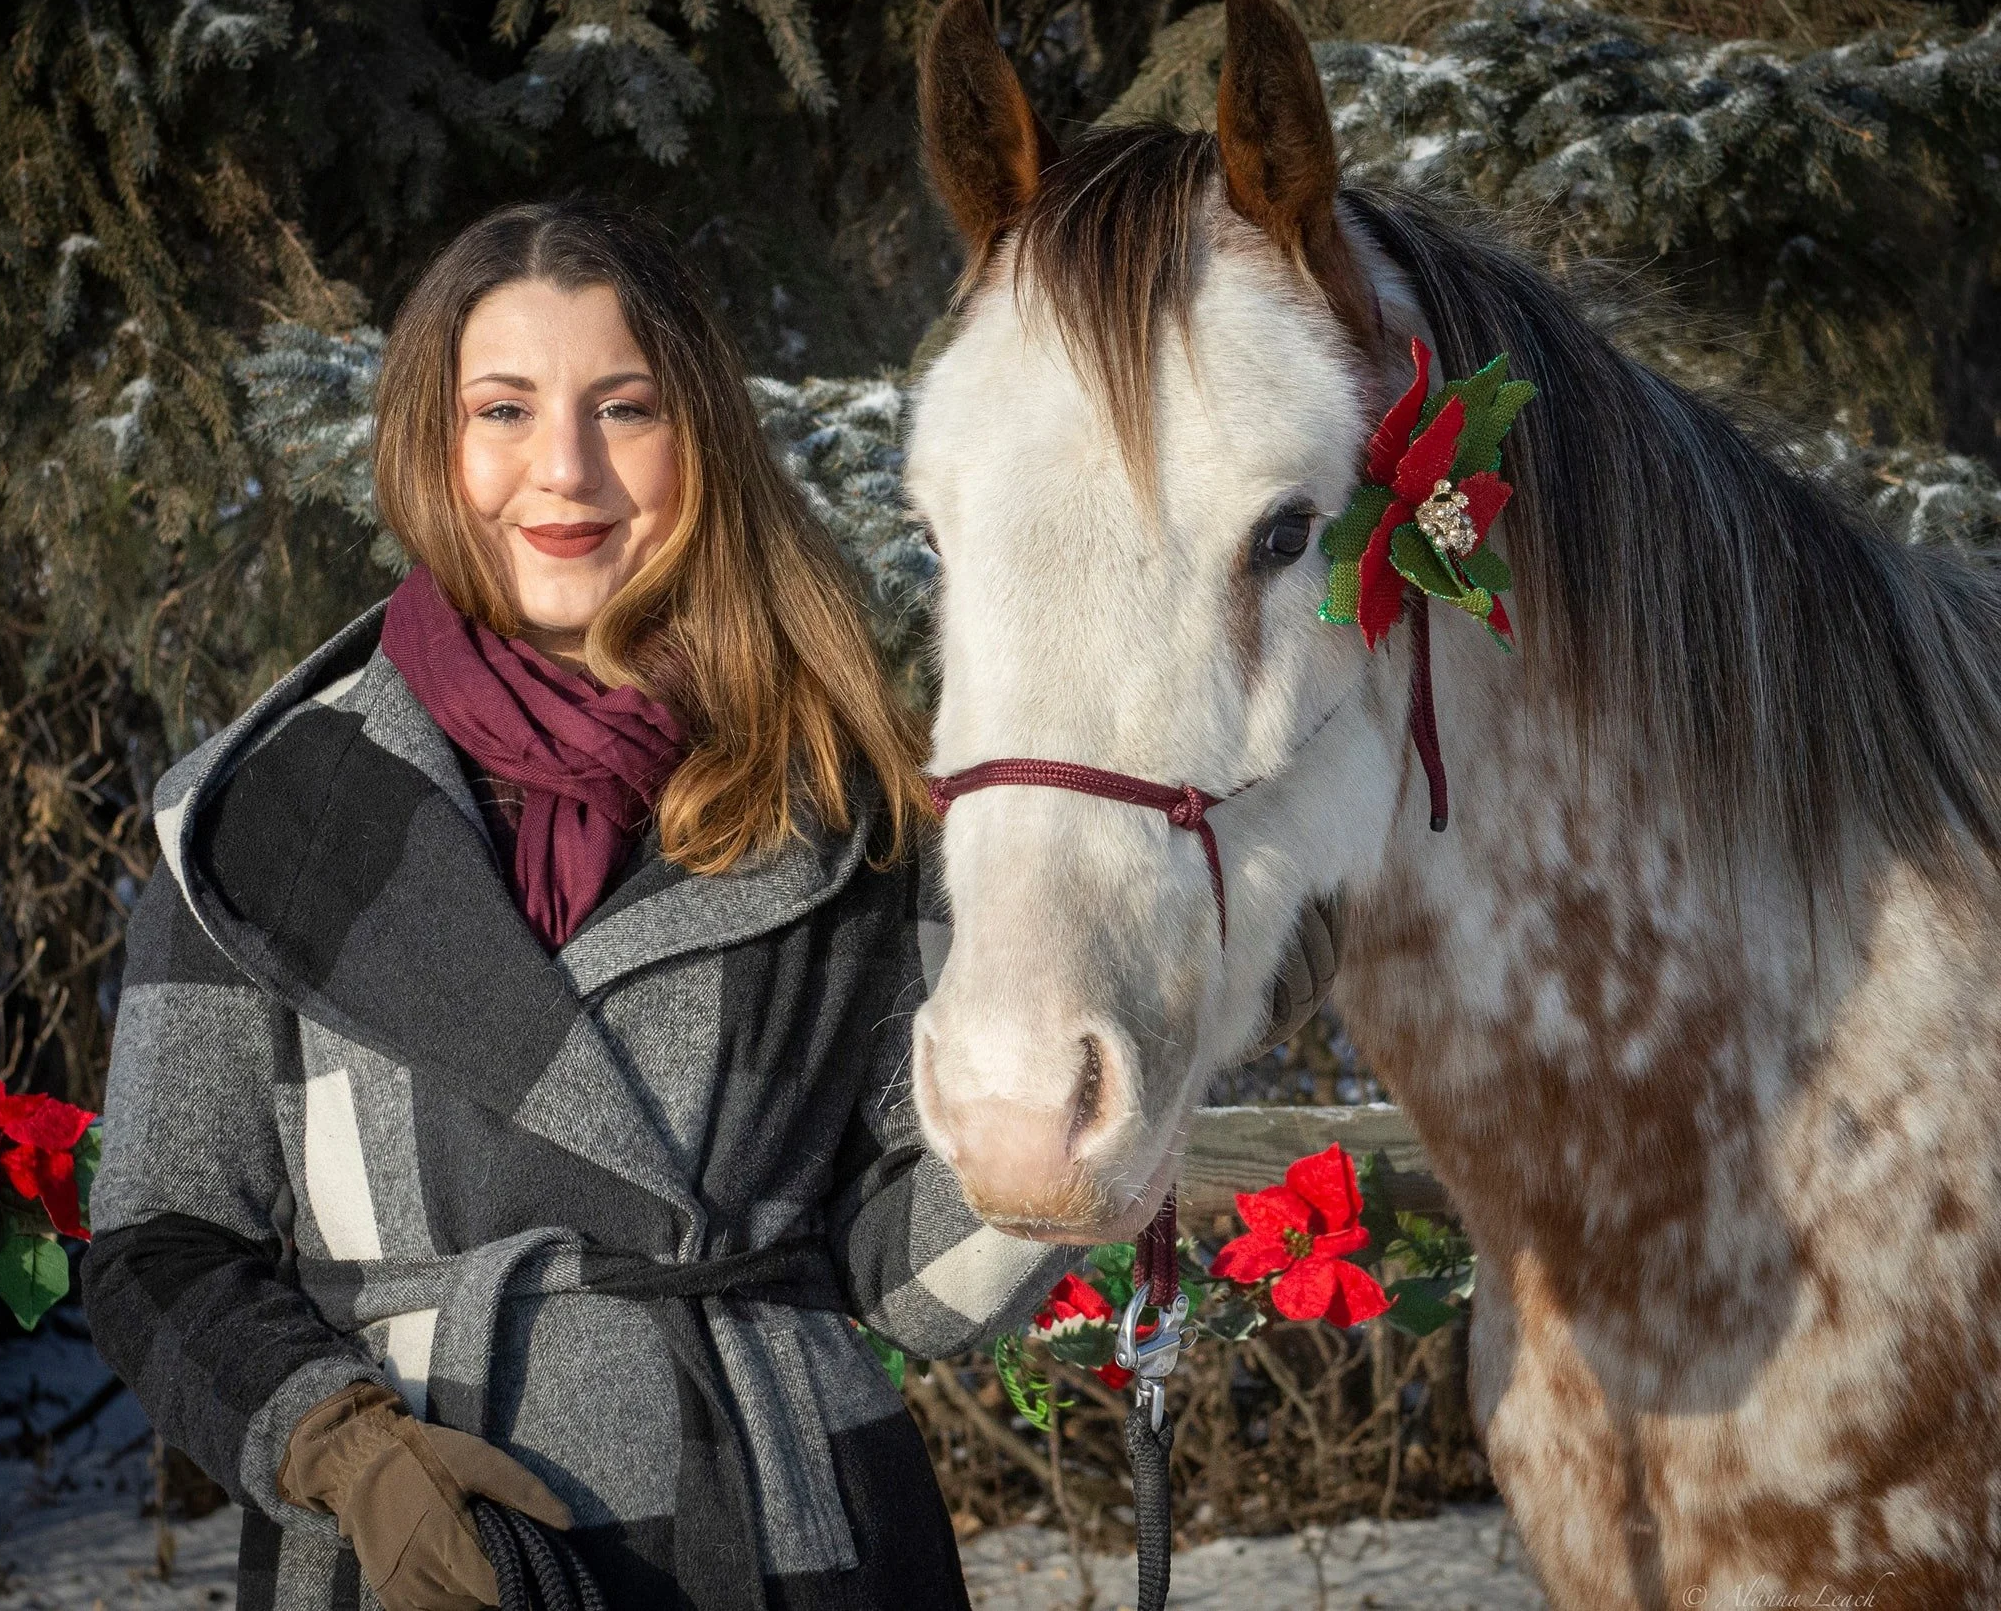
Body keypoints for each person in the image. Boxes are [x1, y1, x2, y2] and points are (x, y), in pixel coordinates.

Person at [83, 197, 1333, 1611]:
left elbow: (907, 1280)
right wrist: (342, 1447)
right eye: (503, 409)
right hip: (425, 1556)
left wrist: (1146, 1042)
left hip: (796, 1541)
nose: (563, 471)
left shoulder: (840, 796)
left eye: (624, 408)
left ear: (700, 439)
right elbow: (160, 1242)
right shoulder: (266, 815)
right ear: (432, 442)